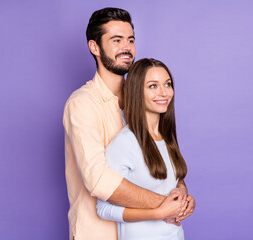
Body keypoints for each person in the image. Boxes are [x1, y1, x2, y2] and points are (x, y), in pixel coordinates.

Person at [63, 8, 195, 240]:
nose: (127, 47)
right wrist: (166, 204)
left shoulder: (145, 98)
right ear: (94, 47)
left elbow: (164, 158)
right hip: (98, 233)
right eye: (116, 40)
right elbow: (99, 181)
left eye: (130, 40)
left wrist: (180, 193)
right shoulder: (82, 104)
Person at [96, 58, 191, 240]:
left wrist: (184, 199)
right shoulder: (126, 142)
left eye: (167, 84)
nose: (163, 92)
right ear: (137, 91)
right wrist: (157, 213)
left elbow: (172, 182)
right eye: (153, 86)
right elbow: (103, 208)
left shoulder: (167, 137)